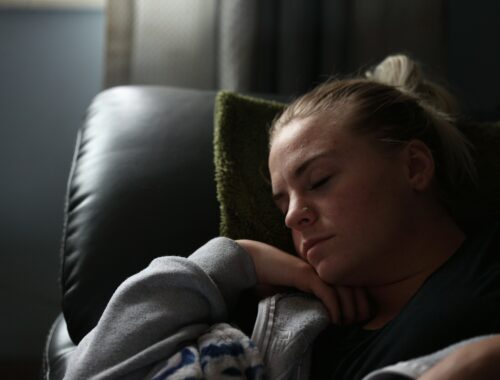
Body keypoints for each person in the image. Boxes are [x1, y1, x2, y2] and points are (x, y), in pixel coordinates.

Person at [63, 55, 500, 380]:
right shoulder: (291, 323)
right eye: (281, 202)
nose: (293, 216)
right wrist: (235, 261)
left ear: (414, 168)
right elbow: (88, 372)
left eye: (320, 180)